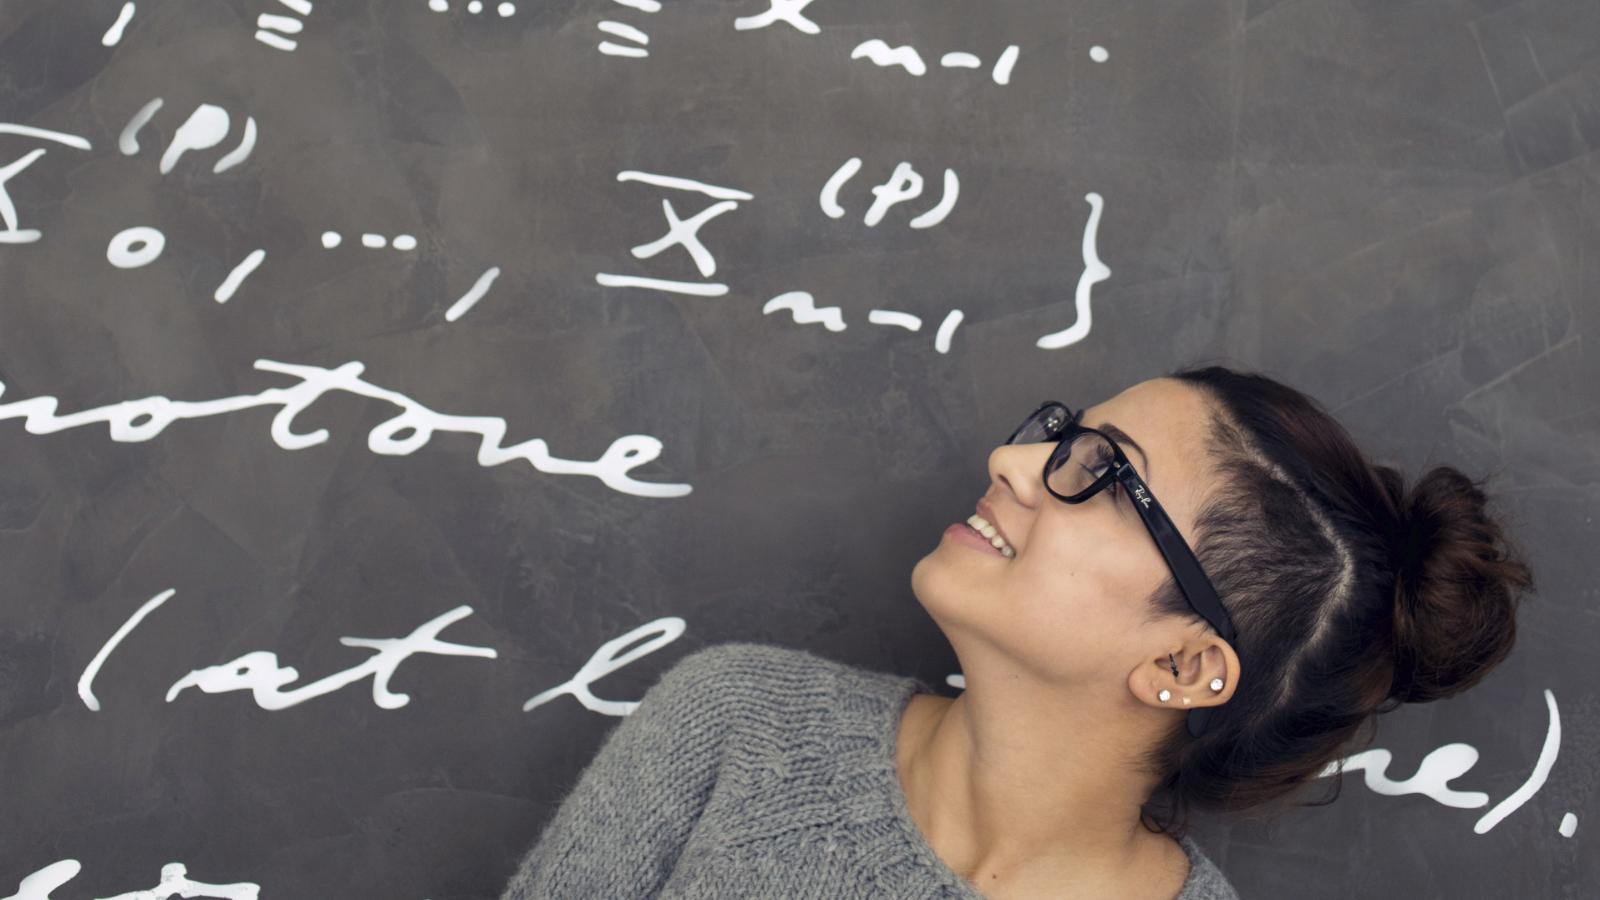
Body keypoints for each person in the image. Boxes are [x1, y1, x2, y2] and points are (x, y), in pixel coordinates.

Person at [498, 364, 1535, 899]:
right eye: (1061, 436)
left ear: (1183, 662)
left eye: (1104, 475)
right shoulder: (736, 720)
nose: (1013, 460)